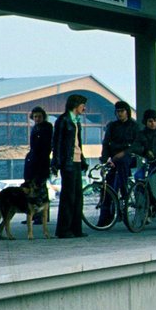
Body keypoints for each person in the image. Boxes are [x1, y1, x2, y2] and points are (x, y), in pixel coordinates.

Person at [51, 94, 89, 239]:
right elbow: (57, 142)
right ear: (75, 104)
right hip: (68, 162)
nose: (84, 108)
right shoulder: (63, 120)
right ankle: (64, 229)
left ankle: (76, 229)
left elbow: (78, 143)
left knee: (78, 196)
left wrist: (83, 159)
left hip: (77, 160)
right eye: (82, 105)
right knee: (68, 196)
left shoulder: (76, 121)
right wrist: (56, 162)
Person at [99, 100, 141, 225]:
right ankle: (105, 218)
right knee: (107, 187)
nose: (120, 114)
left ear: (127, 112)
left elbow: (136, 145)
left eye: (122, 111)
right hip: (113, 159)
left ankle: (124, 195)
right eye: (117, 112)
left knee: (121, 176)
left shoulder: (134, 126)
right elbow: (106, 143)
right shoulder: (112, 126)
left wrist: (123, 153)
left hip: (127, 158)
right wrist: (105, 158)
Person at [23, 106, 53, 225]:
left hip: (41, 161)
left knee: (41, 188)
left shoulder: (47, 127)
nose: (37, 119)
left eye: (39, 116)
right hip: (34, 159)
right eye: (35, 116)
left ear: (43, 116)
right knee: (32, 188)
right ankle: (33, 215)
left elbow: (45, 146)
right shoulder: (35, 128)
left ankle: (42, 215)